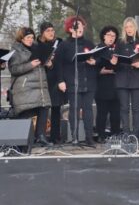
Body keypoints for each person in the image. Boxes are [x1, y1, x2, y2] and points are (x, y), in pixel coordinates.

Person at [56, 16, 97, 146]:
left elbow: (98, 59)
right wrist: (61, 81)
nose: (80, 27)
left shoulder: (89, 44)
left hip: (88, 82)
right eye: (77, 25)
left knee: (88, 110)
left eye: (81, 25)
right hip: (73, 82)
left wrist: (94, 61)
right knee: (74, 110)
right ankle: (75, 137)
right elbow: (58, 64)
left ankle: (89, 137)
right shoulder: (64, 45)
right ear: (70, 28)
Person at [8, 27, 52, 146]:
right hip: (25, 87)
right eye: (28, 37)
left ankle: (41, 136)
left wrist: (48, 64)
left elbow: (42, 66)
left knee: (44, 108)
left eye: (32, 37)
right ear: (21, 38)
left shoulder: (37, 48)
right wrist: (30, 65)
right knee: (27, 112)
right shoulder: (16, 50)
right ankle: (25, 139)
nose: (30, 40)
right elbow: (13, 69)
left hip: (40, 87)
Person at [113, 17, 139, 140]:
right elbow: (115, 64)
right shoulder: (120, 43)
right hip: (122, 79)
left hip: (137, 78)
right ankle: (126, 134)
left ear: (135, 27)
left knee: (137, 109)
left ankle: (136, 135)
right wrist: (114, 62)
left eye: (131, 26)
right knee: (124, 108)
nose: (128, 29)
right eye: (126, 27)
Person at [37, 21, 65, 144]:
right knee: (42, 109)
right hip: (41, 80)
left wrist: (52, 64)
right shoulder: (38, 44)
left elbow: (62, 63)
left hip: (56, 79)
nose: (51, 33)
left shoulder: (59, 43)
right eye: (48, 31)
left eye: (52, 30)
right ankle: (40, 135)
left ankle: (55, 136)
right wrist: (46, 63)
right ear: (42, 33)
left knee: (56, 108)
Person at [95, 25, 120, 143]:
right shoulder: (97, 49)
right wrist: (102, 71)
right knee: (102, 113)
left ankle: (116, 134)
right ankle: (101, 135)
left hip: (116, 85)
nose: (111, 37)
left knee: (116, 113)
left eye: (113, 36)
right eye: (109, 35)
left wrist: (115, 65)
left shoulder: (118, 49)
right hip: (102, 86)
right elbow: (93, 66)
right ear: (103, 36)